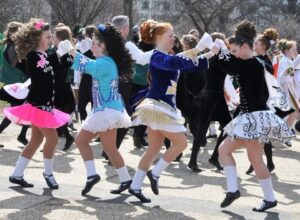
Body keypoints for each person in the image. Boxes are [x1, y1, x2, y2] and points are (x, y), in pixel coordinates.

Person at [128, 19, 216, 203]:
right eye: (170, 35)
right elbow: (176, 62)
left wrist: (210, 54)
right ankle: (155, 173)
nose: (173, 38)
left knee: (152, 149)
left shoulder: (167, 56)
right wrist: (200, 47)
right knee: (181, 143)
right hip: (158, 106)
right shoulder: (157, 56)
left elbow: (187, 63)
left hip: (163, 107)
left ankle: (135, 186)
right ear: (159, 37)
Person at [212, 20, 295, 212]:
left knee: (248, 158)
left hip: (255, 119)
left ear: (244, 46)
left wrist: (219, 51)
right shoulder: (252, 63)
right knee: (230, 152)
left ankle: (261, 196)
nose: (234, 54)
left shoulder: (253, 63)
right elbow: (233, 66)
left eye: (235, 50)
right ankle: (239, 192)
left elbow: (231, 66)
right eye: (231, 51)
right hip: (250, 118)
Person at [59, 23, 133, 195]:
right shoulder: (106, 61)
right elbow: (88, 64)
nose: (91, 46)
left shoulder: (105, 63)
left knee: (81, 141)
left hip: (106, 110)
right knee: (109, 148)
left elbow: (88, 66)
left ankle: (92, 175)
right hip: (110, 110)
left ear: (103, 46)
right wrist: (71, 52)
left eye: (94, 43)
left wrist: (71, 50)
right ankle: (125, 180)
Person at [4, 19, 70, 189]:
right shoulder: (34, 55)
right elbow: (42, 70)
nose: (50, 40)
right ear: (36, 39)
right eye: (48, 37)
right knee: (53, 139)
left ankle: (17, 174)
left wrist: (70, 54)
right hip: (38, 106)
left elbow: (59, 69)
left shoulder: (44, 56)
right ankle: (48, 173)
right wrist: (57, 55)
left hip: (45, 105)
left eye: (50, 37)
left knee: (35, 141)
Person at [245, 28, 279, 174]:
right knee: (257, 135)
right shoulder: (254, 59)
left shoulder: (265, 61)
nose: (254, 45)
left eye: (256, 43)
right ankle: (260, 162)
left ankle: (263, 162)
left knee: (261, 134)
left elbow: (270, 72)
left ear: (263, 46)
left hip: (261, 103)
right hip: (252, 102)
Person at [0, 21, 30, 147]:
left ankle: (22, 135)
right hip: (13, 85)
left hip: (10, 83)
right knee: (22, 110)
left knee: (21, 110)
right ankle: (22, 136)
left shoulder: (8, 45)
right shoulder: (13, 47)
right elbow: (15, 64)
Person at [51, 24, 76, 151]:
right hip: (60, 86)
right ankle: (63, 137)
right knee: (56, 113)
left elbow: (65, 66)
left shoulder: (65, 52)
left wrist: (60, 54)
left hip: (61, 87)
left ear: (59, 38)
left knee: (57, 113)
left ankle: (65, 137)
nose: (52, 38)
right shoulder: (57, 50)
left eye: (54, 36)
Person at [277, 38, 299, 148]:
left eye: (296, 49)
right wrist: (293, 66)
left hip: (290, 90)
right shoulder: (284, 61)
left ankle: (284, 134)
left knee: (293, 112)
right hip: (284, 90)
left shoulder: (290, 61)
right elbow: (282, 75)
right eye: (293, 49)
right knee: (291, 112)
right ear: (286, 51)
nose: (296, 51)